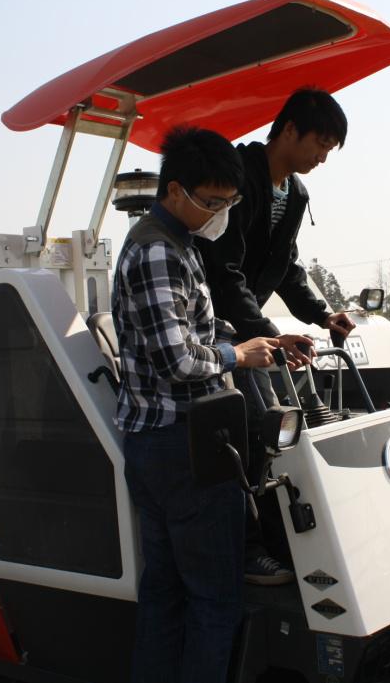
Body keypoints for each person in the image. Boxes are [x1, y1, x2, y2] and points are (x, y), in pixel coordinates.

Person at [113, 125, 279, 683]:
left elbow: (194, 329)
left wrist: (259, 340)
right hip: (184, 446)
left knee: (165, 591)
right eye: (212, 202)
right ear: (175, 190)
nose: (219, 213)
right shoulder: (158, 250)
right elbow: (178, 361)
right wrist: (238, 356)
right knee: (214, 598)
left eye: (228, 203)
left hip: (159, 445)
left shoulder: (176, 241)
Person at [195, 88, 356, 585]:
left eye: (330, 148)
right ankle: (248, 549)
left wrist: (322, 315)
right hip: (211, 327)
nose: (323, 157)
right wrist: (268, 335)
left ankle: (289, 534)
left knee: (281, 425)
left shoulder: (295, 194)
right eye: (320, 143)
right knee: (256, 427)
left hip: (248, 328)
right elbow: (224, 272)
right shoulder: (238, 176)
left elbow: (285, 266)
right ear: (289, 130)